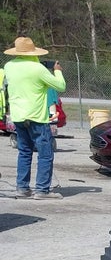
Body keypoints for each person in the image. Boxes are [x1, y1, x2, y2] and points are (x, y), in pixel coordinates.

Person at [3, 37, 66, 199]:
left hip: (18, 115)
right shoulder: (38, 69)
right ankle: (42, 189)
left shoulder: (9, 66)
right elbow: (61, 86)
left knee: (24, 152)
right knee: (45, 153)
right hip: (37, 116)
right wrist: (57, 70)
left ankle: (22, 187)